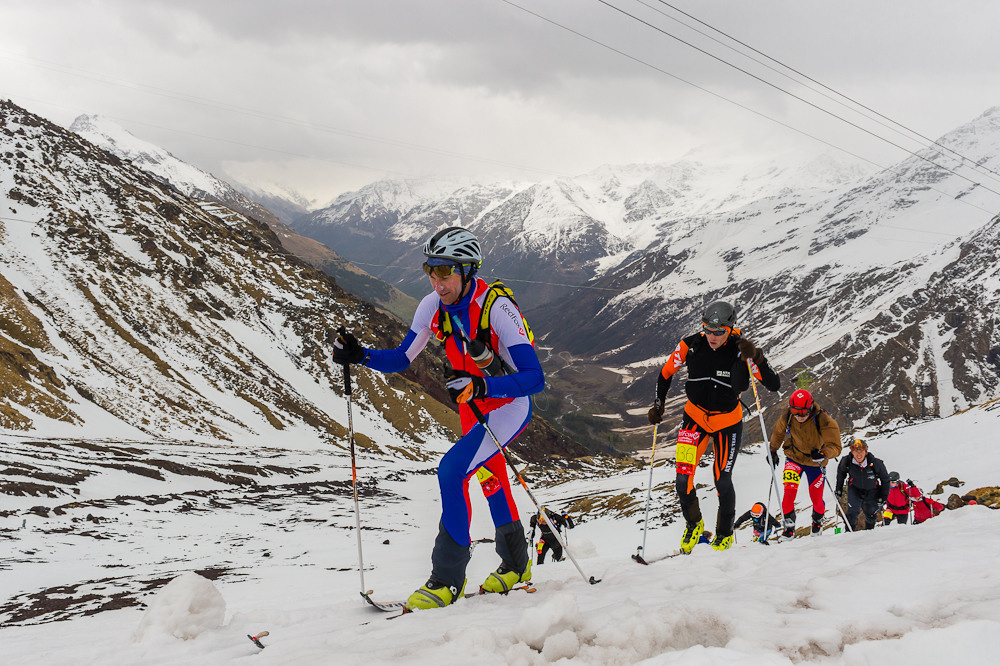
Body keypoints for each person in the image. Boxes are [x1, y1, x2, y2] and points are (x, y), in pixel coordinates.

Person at [333, 226, 544, 610]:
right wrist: (360, 355)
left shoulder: (497, 308)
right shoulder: (432, 305)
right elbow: (402, 357)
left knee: (451, 471)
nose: (436, 281)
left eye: (444, 272)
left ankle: (446, 580)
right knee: (491, 479)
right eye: (429, 270)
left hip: (508, 403)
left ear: (467, 271)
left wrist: (483, 388)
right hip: (471, 405)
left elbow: (534, 379)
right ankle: (516, 564)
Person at [647, 301, 780, 552]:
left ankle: (724, 533)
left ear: (730, 328)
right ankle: (694, 524)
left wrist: (758, 358)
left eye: (719, 332)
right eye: (708, 329)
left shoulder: (742, 350)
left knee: (722, 480)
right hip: (694, 419)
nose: (712, 336)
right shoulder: (691, 345)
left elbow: (774, 384)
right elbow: (665, 373)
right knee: (682, 480)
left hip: (726, 424)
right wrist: (658, 404)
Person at [769, 389, 842, 538]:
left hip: (815, 463)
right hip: (794, 458)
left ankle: (817, 521)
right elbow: (778, 432)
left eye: (803, 412)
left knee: (816, 499)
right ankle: (789, 528)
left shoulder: (823, 420)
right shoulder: (788, 415)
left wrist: (823, 453)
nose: (799, 416)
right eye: (795, 411)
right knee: (788, 494)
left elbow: (836, 447)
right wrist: (773, 450)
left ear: (810, 408)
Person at [835, 438, 890, 530]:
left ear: (866, 451)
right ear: (852, 452)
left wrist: (883, 496)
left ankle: (869, 531)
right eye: (855, 451)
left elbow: (885, 480)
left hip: (872, 490)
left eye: (861, 451)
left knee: (871, 513)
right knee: (852, 512)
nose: (858, 454)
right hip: (855, 489)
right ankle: (849, 532)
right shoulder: (847, 461)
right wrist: (838, 489)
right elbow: (841, 474)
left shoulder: (875, 463)